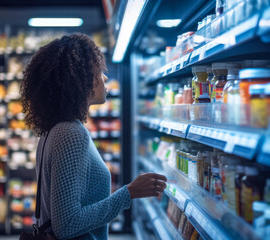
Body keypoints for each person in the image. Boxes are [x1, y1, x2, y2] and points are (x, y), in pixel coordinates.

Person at [20, 33, 167, 240]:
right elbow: (67, 225)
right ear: (78, 79)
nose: (105, 77)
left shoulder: (53, 128)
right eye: (97, 71)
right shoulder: (71, 134)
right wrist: (129, 193)